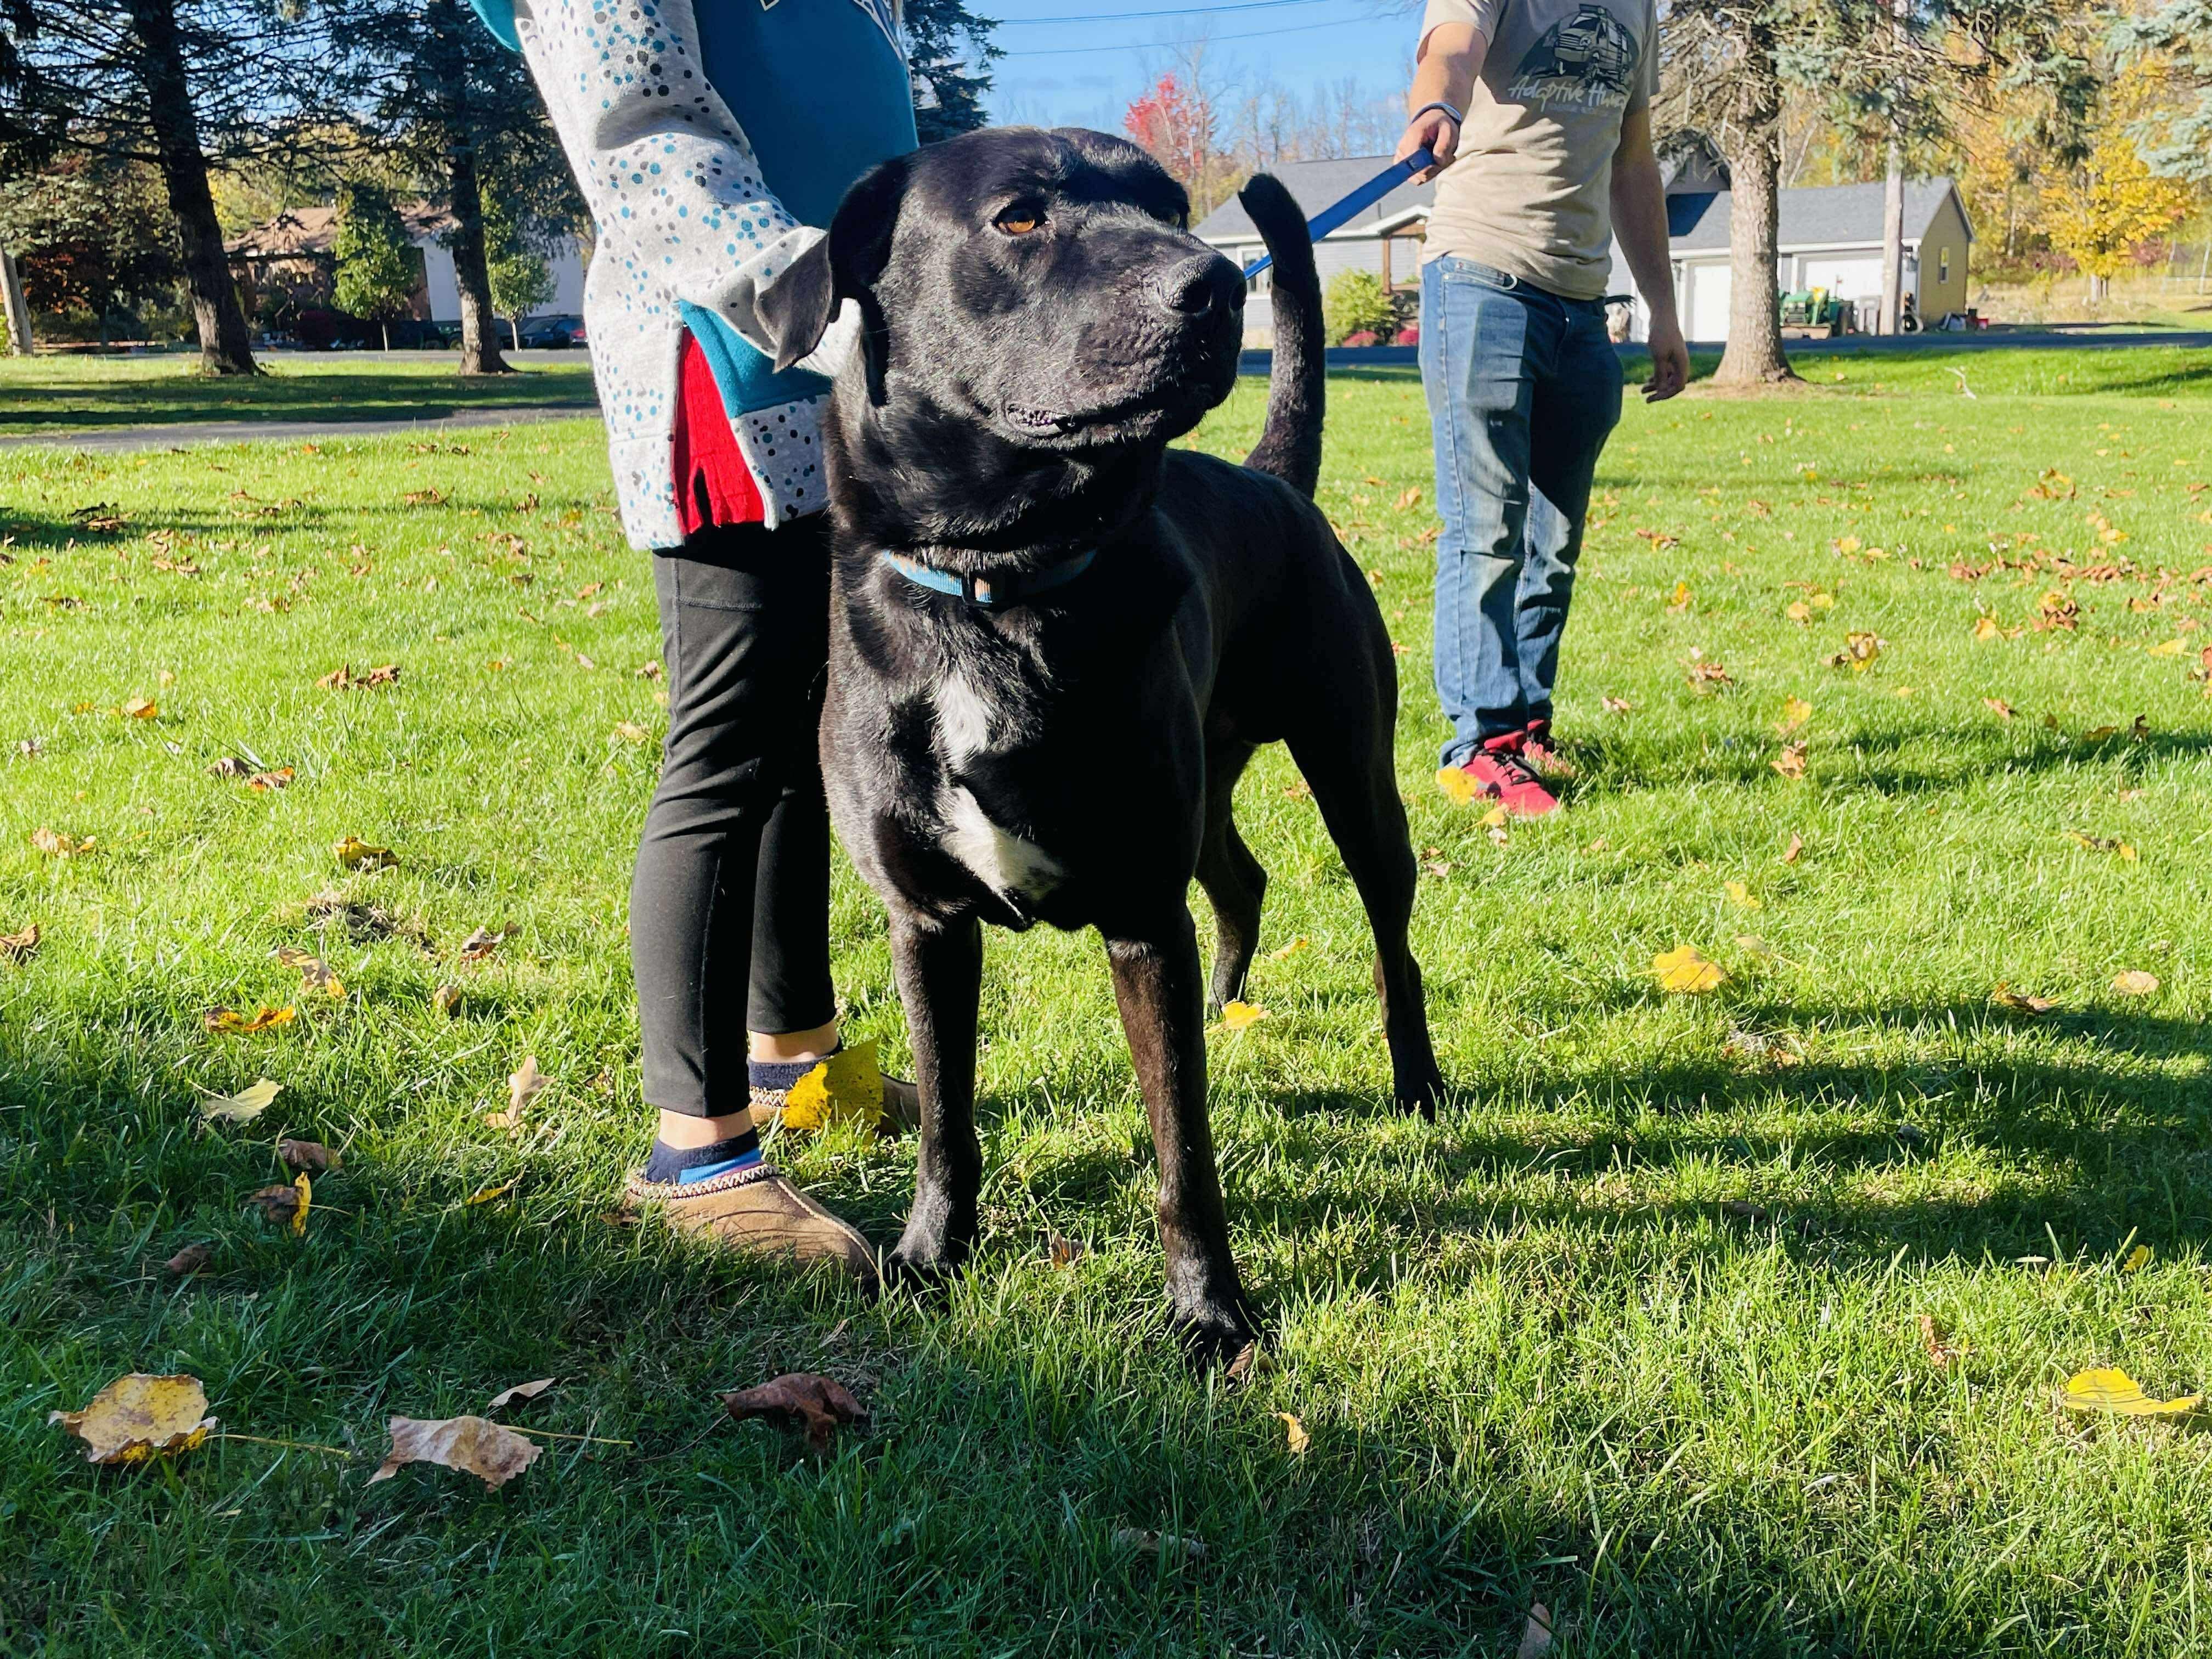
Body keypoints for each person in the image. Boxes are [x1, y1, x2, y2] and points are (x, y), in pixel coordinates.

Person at [466, 0, 919, 1278]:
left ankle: (794, 1053)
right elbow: (644, 133)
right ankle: (696, 1156)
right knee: (728, 746)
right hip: (722, 361)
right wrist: (810, 295)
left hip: (843, 366)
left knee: (802, 721)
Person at [1396, 0, 1690, 816]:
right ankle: (1476, 747)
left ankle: (1525, 724)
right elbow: (1453, 44)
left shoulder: (1637, 7)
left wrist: (1662, 309)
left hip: (1582, 305)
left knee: (1552, 543)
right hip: (1482, 279)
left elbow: (1633, 159)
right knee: (1486, 530)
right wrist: (1436, 104)